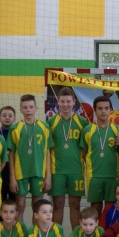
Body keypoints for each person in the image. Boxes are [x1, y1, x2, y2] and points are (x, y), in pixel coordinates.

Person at [48, 87, 89, 229]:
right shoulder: (51, 122)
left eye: (68, 101)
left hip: (76, 170)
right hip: (57, 170)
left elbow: (85, 149)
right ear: (58, 102)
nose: (65, 104)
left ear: (74, 102)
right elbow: (48, 150)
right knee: (57, 205)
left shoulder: (83, 122)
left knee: (75, 205)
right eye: (62, 101)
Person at [8, 94, 52, 221]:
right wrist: (12, 177)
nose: (28, 110)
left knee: (37, 206)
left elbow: (48, 152)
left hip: (38, 172)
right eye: (25, 107)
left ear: (36, 108)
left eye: (31, 107)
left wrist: (48, 176)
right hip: (20, 173)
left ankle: (35, 232)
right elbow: (11, 154)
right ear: (20, 109)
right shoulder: (15, 128)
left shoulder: (44, 127)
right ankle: (19, 231)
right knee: (20, 205)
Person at [82, 95, 119, 213]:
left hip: (112, 175)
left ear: (111, 110)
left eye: (106, 108)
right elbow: (84, 152)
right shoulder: (87, 130)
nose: (103, 111)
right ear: (95, 110)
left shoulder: (117, 129)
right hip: (94, 176)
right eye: (100, 108)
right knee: (95, 208)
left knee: (111, 208)